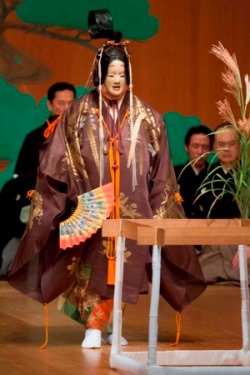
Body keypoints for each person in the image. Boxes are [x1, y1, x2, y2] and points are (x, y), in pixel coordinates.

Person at [8, 34, 206, 349]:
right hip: (93, 205)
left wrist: (159, 205)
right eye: (111, 75)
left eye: (122, 75)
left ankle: (116, 325)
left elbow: (162, 166)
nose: (117, 81)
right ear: (101, 76)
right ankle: (93, 327)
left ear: (129, 77)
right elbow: (59, 158)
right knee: (93, 266)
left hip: (133, 207)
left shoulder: (147, 116)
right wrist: (67, 198)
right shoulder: (78, 113)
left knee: (128, 267)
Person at [0, 82, 76, 276]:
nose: (66, 108)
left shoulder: (84, 137)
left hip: (74, 197)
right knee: (11, 195)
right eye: (61, 103)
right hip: (38, 194)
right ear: (50, 105)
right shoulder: (34, 137)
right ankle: (8, 261)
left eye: (71, 103)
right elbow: (21, 174)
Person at [198, 123, 250, 282]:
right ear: (214, 146)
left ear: (240, 145)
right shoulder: (204, 175)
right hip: (211, 245)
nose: (226, 149)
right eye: (221, 144)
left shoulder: (247, 175)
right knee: (195, 278)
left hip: (243, 245)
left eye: (231, 144)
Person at [174, 125, 214, 219]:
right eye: (195, 146)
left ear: (210, 150)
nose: (200, 152)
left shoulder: (216, 175)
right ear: (186, 147)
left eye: (205, 147)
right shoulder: (174, 174)